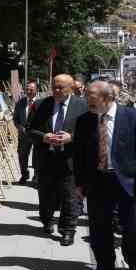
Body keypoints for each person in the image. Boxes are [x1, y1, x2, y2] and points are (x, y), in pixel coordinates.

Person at [74, 81, 136, 270]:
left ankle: (132, 259)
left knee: (134, 224)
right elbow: (79, 154)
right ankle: (105, 265)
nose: (88, 102)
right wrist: (79, 183)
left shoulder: (133, 116)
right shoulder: (84, 120)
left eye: (92, 99)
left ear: (108, 98)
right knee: (99, 226)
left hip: (128, 181)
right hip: (98, 181)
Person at [27, 74, 88, 246]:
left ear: (71, 88)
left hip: (70, 160)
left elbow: (91, 132)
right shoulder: (40, 105)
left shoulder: (82, 106)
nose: (57, 90)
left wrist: (72, 137)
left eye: (61, 87)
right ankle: (47, 220)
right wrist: (43, 137)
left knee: (70, 197)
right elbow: (29, 129)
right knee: (46, 195)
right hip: (46, 159)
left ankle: (68, 230)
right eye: (54, 87)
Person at [13, 82, 39, 184]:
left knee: (37, 156)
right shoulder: (20, 103)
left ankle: (36, 177)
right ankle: (24, 175)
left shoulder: (42, 102)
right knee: (22, 155)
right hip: (24, 134)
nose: (28, 92)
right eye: (27, 89)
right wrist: (20, 128)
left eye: (31, 90)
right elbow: (15, 119)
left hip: (37, 134)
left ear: (36, 90)